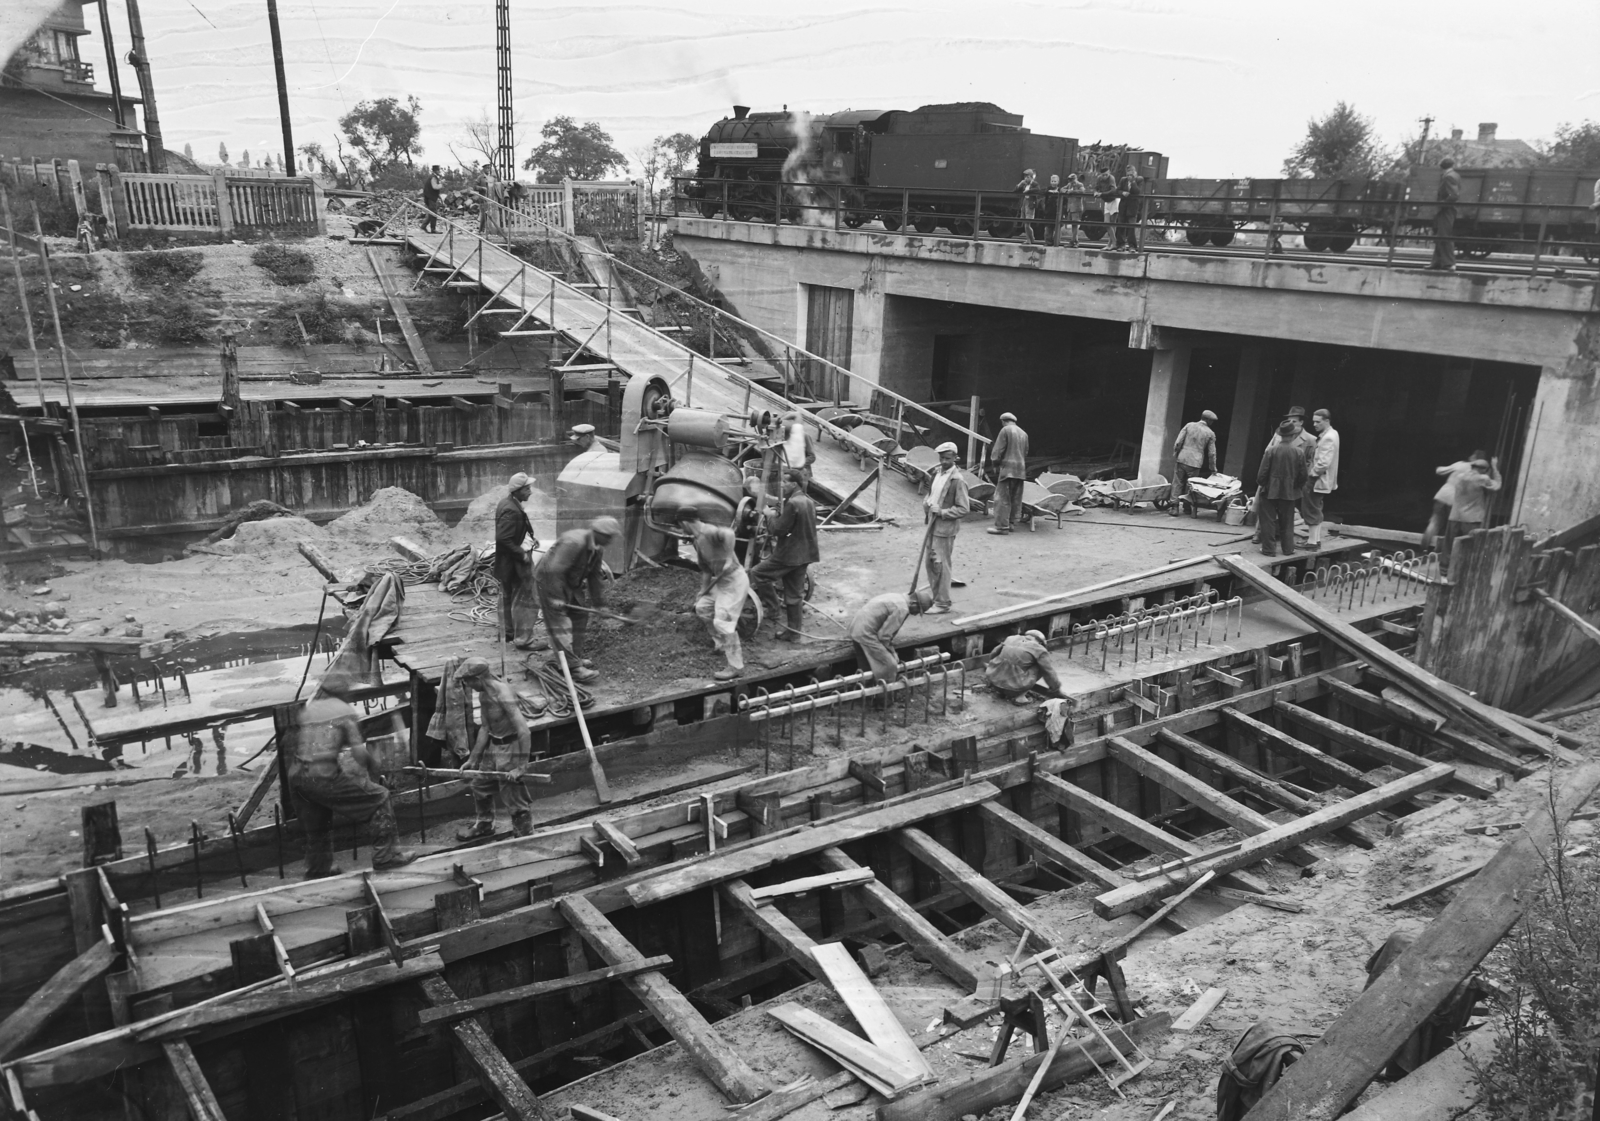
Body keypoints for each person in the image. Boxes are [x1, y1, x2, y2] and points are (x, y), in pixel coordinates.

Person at [286, 673, 415, 879]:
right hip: (322, 776)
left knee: (319, 822)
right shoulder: (344, 712)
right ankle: (386, 856)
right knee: (380, 797)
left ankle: (319, 869)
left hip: (297, 777)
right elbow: (359, 755)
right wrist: (377, 768)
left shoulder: (310, 710)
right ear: (344, 692)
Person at [454, 657, 535, 840]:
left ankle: (525, 837)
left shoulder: (502, 694)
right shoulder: (484, 694)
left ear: (478, 679)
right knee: (479, 785)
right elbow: (485, 727)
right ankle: (484, 825)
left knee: (514, 798)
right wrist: (473, 759)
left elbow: (524, 731)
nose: (468, 685)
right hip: (493, 747)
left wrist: (521, 766)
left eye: (468, 682)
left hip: (511, 748)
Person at [535, 516, 620, 683]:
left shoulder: (598, 548)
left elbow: (594, 577)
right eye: (609, 536)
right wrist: (555, 597)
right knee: (560, 623)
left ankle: (575, 658)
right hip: (549, 581)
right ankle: (573, 669)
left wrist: (600, 604)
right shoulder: (574, 542)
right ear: (598, 533)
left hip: (572, 581)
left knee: (580, 616)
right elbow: (554, 570)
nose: (611, 540)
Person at [679, 507, 750, 681]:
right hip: (721, 582)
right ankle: (721, 643)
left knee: (723, 622)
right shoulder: (697, 541)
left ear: (685, 523)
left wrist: (727, 558)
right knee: (702, 607)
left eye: (681, 526)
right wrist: (703, 591)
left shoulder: (709, 532)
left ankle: (736, 666)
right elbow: (705, 569)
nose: (681, 530)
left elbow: (730, 534)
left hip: (734, 580)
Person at [749, 470, 819, 642]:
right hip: (805, 553)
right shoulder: (808, 501)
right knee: (795, 595)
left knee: (758, 573)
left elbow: (777, 531)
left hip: (789, 554)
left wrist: (769, 515)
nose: (781, 485)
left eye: (785, 482)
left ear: (793, 484)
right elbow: (797, 525)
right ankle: (794, 633)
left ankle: (773, 610)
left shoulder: (793, 503)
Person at [923, 442, 970, 615]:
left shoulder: (958, 481)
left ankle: (942, 603)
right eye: (941, 458)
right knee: (930, 564)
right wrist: (926, 504)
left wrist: (942, 512)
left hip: (945, 530)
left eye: (947, 459)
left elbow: (964, 508)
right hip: (932, 525)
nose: (943, 461)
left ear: (955, 459)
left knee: (940, 565)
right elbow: (932, 495)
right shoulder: (937, 473)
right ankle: (937, 597)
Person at [848, 589, 934, 683]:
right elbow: (884, 636)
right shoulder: (902, 608)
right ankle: (884, 694)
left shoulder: (897, 597)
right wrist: (892, 653)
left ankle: (866, 691)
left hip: (856, 628)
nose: (916, 614)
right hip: (865, 633)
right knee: (890, 665)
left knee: (866, 666)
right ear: (914, 603)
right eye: (918, 610)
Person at [495, 472, 539, 648]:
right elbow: (503, 538)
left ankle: (507, 634)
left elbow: (510, 534)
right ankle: (524, 639)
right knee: (527, 598)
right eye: (527, 488)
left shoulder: (508, 503)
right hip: (516, 562)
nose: (531, 492)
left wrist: (529, 537)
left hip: (507, 562)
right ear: (518, 490)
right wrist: (522, 554)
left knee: (506, 596)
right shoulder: (511, 510)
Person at [1256, 419, 1308, 557]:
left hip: (1269, 491)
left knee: (1268, 521)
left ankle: (1268, 550)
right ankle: (1288, 549)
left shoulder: (1271, 451)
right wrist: (1295, 486)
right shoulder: (1299, 452)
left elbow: (1262, 474)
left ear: (1280, 435)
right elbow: (1303, 475)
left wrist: (1264, 484)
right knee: (1287, 521)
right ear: (1293, 436)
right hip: (1290, 492)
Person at [1440, 455, 1501, 569]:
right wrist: (1495, 467)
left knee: (1448, 545)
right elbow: (1497, 485)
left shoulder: (1460, 476)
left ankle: (1443, 570)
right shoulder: (1482, 478)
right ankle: (1464, 570)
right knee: (1470, 546)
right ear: (1484, 470)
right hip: (1471, 519)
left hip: (1454, 516)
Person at [1421, 449, 1484, 548]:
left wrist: (1439, 468)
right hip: (1456, 501)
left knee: (1434, 522)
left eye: (1473, 455)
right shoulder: (1480, 474)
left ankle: (1423, 548)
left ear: (1474, 458)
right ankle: (1441, 551)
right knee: (1449, 528)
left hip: (1442, 495)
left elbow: (1440, 471)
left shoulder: (1461, 464)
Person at [984, 630, 1064, 704]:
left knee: (1004, 659)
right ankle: (1020, 697)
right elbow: (1048, 672)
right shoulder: (1039, 649)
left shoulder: (1010, 638)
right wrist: (1055, 688)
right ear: (1040, 642)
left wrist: (993, 668)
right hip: (1012, 689)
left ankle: (1001, 691)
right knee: (1041, 666)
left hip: (994, 682)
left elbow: (993, 653)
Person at [1303, 408, 1340, 549]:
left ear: (1327, 421)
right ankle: (1315, 539)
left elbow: (1324, 462)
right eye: (1313, 421)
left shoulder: (1328, 437)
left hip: (1317, 479)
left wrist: (1312, 474)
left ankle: (1312, 542)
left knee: (1311, 508)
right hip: (1321, 479)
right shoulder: (1332, 434)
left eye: (1318, 422)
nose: (1314, 425)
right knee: (1316, 507)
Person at [987, 412, 1030, 534]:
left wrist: (995, 463)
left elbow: (998, 450)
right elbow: (1025, 452)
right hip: (1020, 470)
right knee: (1015, 498)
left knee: (1002, 498)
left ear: (1003, 421)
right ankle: (1011, 523)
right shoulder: (1024, 434)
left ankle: (1001, 527)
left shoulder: (1005, 430)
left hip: (1008, 470)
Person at [1169, 409, 1218, 515]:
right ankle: (1187, 507)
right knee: (1191, 485)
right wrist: (1213, 468)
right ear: (1209, 421)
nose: (1212, 423)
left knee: (1178, 482)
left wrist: (1177, 454)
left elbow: (1178, 442)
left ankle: (1174, 507)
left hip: (1182, 459)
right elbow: (1212, 453)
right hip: (1196, 462)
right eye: (1212, 421)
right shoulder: (1210, 433)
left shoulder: (1189, 425)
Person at [1430, 157, 1461, 271]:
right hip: (1447, 209)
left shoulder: (1448, 176)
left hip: (1446, 210)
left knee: (1444, 235)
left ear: (1441, 166)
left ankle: (1449, 263)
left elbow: (1453, 196)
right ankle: (1437, 262)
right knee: (1441, 235)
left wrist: (1441, 204)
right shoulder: (1454, 175)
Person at [777, 411, 816, 489]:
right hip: (788, 471)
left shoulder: (804, 436)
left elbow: (812, 456)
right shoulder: (782, 436)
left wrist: (797, 465)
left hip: (802, 472)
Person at [1114, 171, 1143, 252]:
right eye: (1128, 175)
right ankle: (1120, 245)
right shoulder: (1123, 180)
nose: (1129, 176)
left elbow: (1137, 191)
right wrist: (1122, 192)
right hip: (1123, 206)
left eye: (1131, 175)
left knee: (1131, 227)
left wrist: (1132, 182)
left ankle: (1132, 246)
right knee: (1120, 226)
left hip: (1132, 207)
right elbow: (1117, 190)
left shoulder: (1139, 180)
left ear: (1135, 175)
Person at [1014, 168, 1040, 244]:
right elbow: (1015, 190)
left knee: (1027, 224)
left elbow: (1038, 189)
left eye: (1028, 177)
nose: (1026, 178)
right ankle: (1030, 239)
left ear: (1031, 177)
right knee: (1025, 223)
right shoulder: (1024, 184)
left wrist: (1028, 191)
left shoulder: (1034, 184)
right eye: (1025, 177)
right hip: (1024, 203)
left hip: (1030, 203)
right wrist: (1019, 184)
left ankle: (1031, 238)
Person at [1062, 172, 1088, 247]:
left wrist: (1072, 192)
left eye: (1072, 179)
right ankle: (1073, 240)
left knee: (1075, 225)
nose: (1071, 181)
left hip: (1076, 207)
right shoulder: (1069, 185)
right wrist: (1066, 191)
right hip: (1070, 208)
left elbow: (1082, 191)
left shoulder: (1079, 184)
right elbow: (1062, 189)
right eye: (1070, 180)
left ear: (1075, 179)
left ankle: (1075, 241)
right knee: (1073, 225)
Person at [421, 165, 443, 233]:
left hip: (429, 197)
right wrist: (441, 184)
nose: (439, 171)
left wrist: (438, 196)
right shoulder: (433, 178)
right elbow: (435, 187)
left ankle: (423, 226)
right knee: (434, 213)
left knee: (431, 213)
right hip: (431, 198)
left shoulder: (431, 177)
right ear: (436, 171)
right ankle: (433, 229)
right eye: (439, 170)